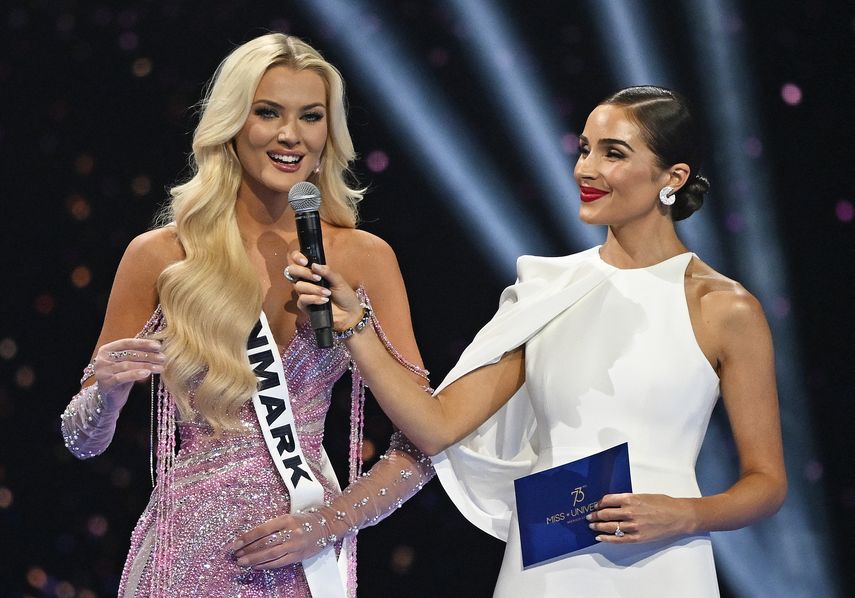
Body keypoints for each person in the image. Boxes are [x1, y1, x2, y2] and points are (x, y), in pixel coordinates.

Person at [290, 86, 787, 597]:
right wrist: (356, 328)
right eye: (585, 148)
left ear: (673, 178)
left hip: (663, 564)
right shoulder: (548, 290)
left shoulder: (726, 308)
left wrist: (685, 514)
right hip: (545, 571)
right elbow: (434, 427)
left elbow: (766, 482)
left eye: (613, 153)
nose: (585, 169)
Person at [60, 33, 433, 597]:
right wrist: (107, 394)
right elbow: (81, 439)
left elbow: (423, 442)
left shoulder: (364, 259)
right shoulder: (161, 256)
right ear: (232, 123)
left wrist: (330, 523)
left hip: (306, 558)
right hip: (184, 558)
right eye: (268, 113)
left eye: (311, 116)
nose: (291, 135)